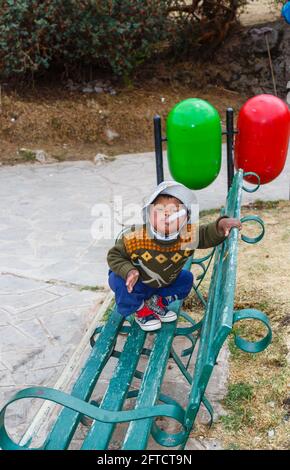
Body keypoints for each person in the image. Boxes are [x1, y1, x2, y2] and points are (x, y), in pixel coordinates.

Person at [107, 180, 242, 331]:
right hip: (136, 282)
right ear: (148, 214)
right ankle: (140, 310)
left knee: (186, 279)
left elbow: (205, 234)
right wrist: (129, 271)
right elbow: (114, 256)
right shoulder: (136, 237)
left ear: (185, 218)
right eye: (159, 210)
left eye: (174, 211)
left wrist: (220, 225)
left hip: (162, 283)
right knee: (118, 280)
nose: (166, 215)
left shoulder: (187, 235)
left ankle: (154, 302)